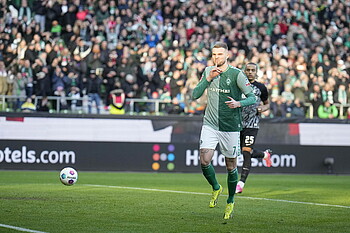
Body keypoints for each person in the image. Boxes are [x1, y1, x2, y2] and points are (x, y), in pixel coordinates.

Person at [192, 42, 256, 220]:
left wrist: (238, 103)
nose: (216, 57)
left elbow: (252, 98)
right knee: (204, 160)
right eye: (214, 54)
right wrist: (208, 79)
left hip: (230, 128)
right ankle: (215, 187)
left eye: (220, 54)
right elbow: (195, 95)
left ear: (227, 55)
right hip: (210, 124)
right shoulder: (207, 71)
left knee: (231, 166)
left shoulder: (237, 74)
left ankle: (230, 200)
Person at [235, 62, 272, 194]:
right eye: (248, 70)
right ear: (244, 71)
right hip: (238, 124)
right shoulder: (238, 85)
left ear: (256, 72)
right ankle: (264, 154)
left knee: (246, 151)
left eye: (252, 70)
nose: (250, 72)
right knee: (242, 150)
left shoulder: (261, 87)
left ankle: (241, 183)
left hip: (252, 124)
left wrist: (263, 108)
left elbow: (267, 104)